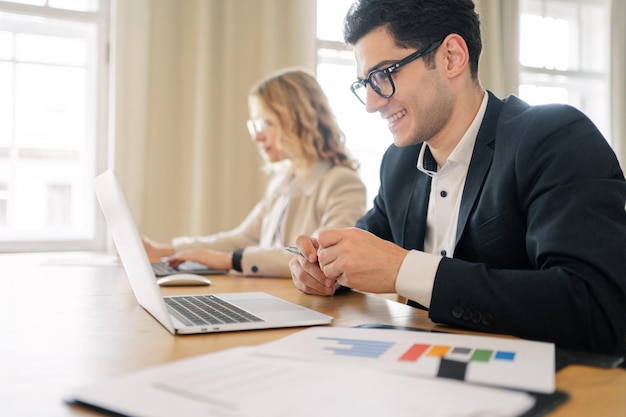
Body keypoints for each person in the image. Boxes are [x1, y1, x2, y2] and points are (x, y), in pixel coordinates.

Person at [289, 0, 626, 355]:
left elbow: (596, 308)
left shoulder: (553, 137)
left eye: (384, 74)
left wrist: (407, 269)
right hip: (425, 373)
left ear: (451, 56)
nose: (372, 103)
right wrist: (322, 268)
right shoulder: (399, 163)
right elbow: (365, 250)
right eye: (365, 83)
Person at [144, 68, 366, 278]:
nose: (256, 137)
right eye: (255, 125)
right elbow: (244, 238)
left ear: (297, 121)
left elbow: (319, 256)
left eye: (266, 123)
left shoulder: (341, 183)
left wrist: (230, 261)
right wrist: (164, 250)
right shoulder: (283, 182)